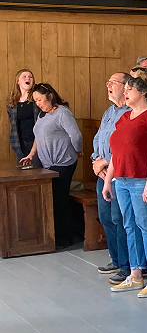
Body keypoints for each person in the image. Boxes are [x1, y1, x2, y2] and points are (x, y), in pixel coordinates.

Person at [102, 75, 147, 297]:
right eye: (125, 88)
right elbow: (115, 152)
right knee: (130, 226)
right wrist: (108, 180)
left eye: (129, 89)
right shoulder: (124, 117)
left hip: (141, 178)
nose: (125, 92)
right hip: (121, 178)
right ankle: (136, 274)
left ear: (142, 92)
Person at [21, 83, 83, 248]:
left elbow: (76, 135)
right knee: (52, 199)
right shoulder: (43, 115)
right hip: (47, 164)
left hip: (63, 162)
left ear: (50, 96)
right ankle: (56, 235)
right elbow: (38, 136)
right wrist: (31, 155)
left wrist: (78, 150)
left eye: (39, 99)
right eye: (35, 101)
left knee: (59, 199)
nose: (38, 103)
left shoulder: (62, 112)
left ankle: (65, 237)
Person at [91, 72, 131, 282]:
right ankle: (115, 259)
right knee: (106, 217)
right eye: (108, 83)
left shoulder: (130, 111)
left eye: (113, 83)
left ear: (126, 87)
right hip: (102, 172)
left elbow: (125, 143)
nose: (109, 86)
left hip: (119, 173)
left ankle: (127, 265)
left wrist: (107, 163)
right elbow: (98, 138)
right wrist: (96, 161)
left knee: (120, 219)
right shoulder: (109, 111)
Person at [7, 68, 41, 166]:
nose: (28, 78)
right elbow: (12, 123)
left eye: (30, 77)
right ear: (18, 81)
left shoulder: (36, 100)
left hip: (36, 141)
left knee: (36, 171)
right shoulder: (12, 103)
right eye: (24, 77)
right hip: (19, 143)